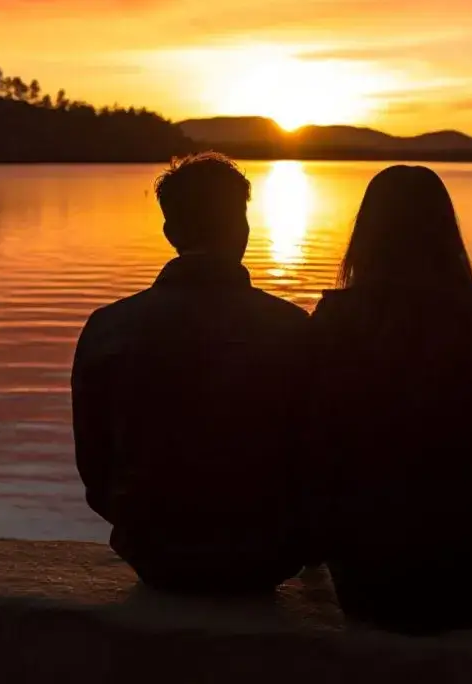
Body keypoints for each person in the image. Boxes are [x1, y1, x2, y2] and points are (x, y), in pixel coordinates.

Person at [304, 164, 472, 634]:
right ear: (445, 234)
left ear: (366, 236)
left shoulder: (333, 322)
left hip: (370, 581)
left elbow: (313, 443)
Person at [71, 152, 310, 594]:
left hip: (153, 555)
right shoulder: (293, 328)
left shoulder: (108, 327)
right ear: (242, 229)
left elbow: (96, 468)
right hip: (267, 557)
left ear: (171, 233)